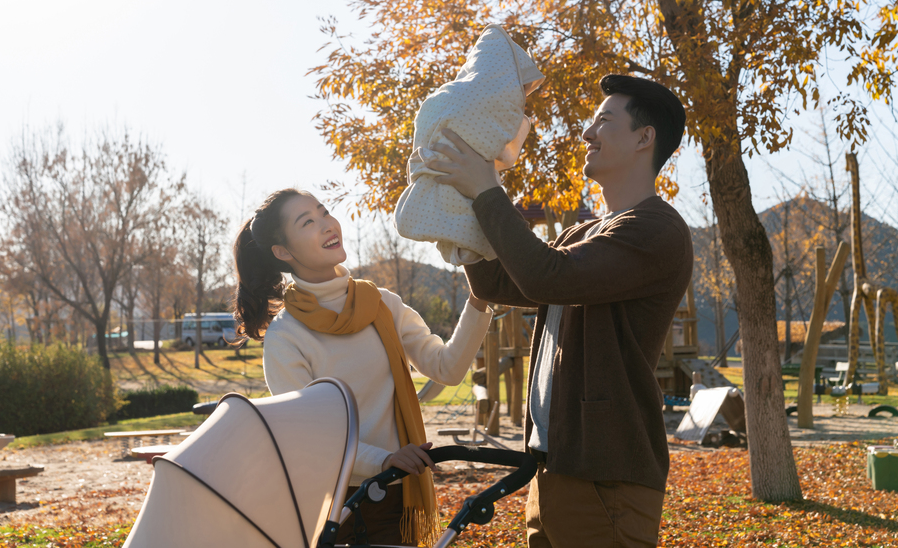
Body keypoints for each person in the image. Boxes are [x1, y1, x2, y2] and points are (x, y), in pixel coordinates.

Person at [426, 74, 694, 547]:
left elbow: (547, 276)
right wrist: (462, 199)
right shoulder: (582, 235)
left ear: (644, 137)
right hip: (553, 467)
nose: (587, 133)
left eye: (604, 121)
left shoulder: (657, 230)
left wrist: (488, 190)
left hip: (605, 477)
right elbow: (499, 280)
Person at [231, 188, 492, 547]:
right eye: (308, 222)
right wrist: (384, 460)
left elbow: (445, 367)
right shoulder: (286, 337)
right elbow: (310, 436)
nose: (326, 224)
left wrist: (479, 299)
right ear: (283, 252)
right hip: (335, 507)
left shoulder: (382, 303)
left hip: (398, 496)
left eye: (324, 212)